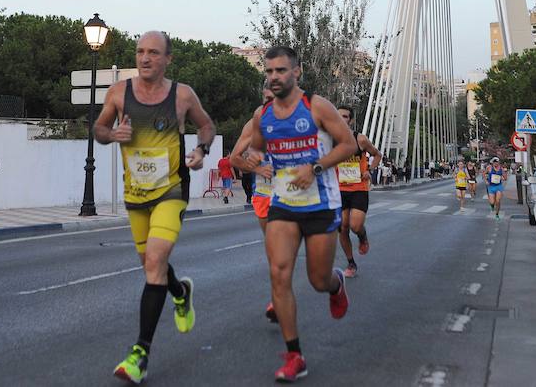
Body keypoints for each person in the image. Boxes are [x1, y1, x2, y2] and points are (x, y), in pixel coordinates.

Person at [95, 31, 215, 385]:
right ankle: (180, 292)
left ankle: (140, 353)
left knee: (154, 263)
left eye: (153, 53)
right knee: (152, 265)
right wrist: (111, 135)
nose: (145, 58)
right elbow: (99, 128)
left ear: (167, 59)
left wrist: (201, 150)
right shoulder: (119, 93)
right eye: (140, 52)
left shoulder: (182, 94)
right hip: (136, 193)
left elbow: (206, 125)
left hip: (171, 190)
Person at [242, 46, 356, 382]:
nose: (274, 77)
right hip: (283, 205)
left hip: (321, 205)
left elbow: (348, 144)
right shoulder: (262, 117)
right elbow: (256, 147)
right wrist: (253, 158)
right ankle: (295, 356)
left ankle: (336, 286)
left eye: (281, 70)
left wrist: (316, 166)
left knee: (317, 280)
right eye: (269, 71)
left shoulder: (316, 107)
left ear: (297, 72)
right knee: (279, 274)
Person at [230, 85, 277, 322]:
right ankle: (278, 299)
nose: (269, 103)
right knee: (275, 251)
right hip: (264, 194)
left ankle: (279, 299)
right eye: (265, 99)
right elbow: (234, 158)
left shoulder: (302, 119)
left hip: (293, 195)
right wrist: (258, 168)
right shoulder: (255, 123)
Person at [335, 105, 381, 278]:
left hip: (358, 189)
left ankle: (362, 236)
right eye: (338, 116)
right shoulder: (330, 139)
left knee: (355, 225)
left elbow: (377, 154)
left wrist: (369, 169)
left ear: (351, 120)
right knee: (343, 227)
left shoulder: (360, 140)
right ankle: (351, 263)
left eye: (345, 117)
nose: (342, 119)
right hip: (339, 190)